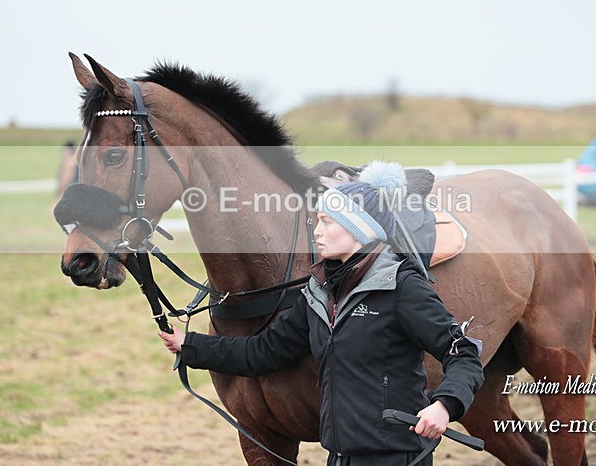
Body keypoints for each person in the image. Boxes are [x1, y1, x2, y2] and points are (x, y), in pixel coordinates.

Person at [158, 161, 484, 465]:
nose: (316, 232)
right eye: (317, 222)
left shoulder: (402, 287)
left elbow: (463, 353)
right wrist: (190, 345)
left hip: (397, 455)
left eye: (327, 223)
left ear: (358, 230)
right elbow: (263, 352)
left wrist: (445, 406)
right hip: (340, 456)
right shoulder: (318, 294)